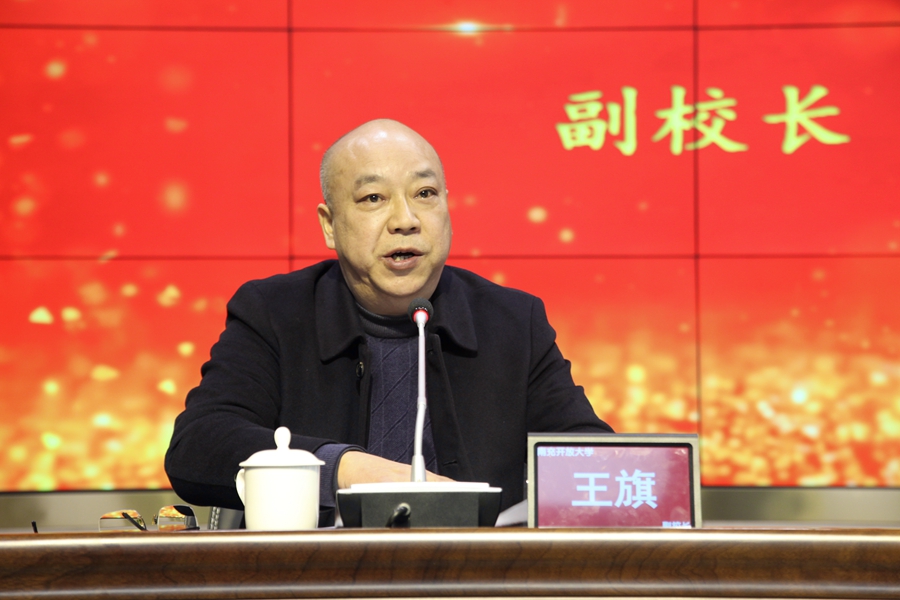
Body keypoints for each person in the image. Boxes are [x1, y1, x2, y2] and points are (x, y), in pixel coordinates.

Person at [165, 119, 613, 525]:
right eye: (374, 198)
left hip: (475, 578)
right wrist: (344, 469)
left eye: (425, 194)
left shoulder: (512, 322)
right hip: (317, 578)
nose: (405, 220)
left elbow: (591, 460)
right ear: (329, 225)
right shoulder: (275, 313)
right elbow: (199, 444)